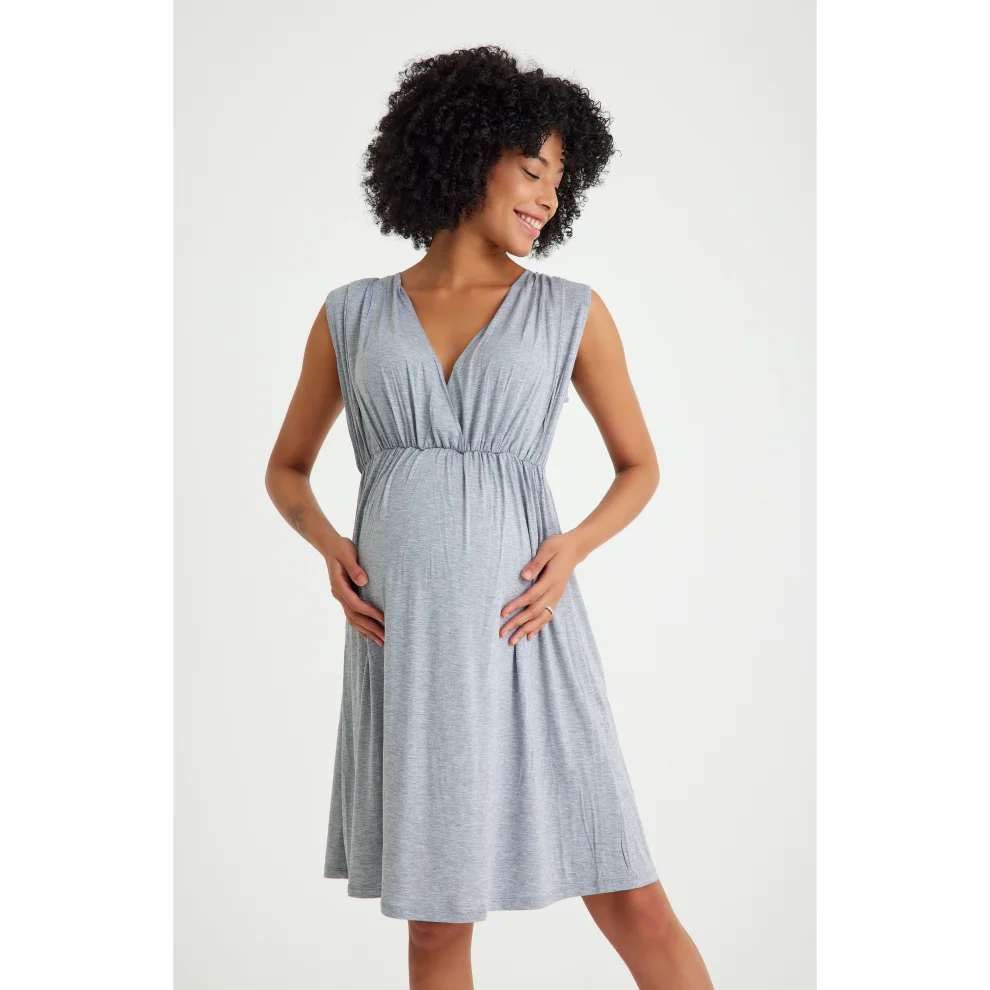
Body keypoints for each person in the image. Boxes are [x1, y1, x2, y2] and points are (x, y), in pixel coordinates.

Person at [265, 45, 715, 990]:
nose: (549, 198)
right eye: (534, 170)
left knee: (632, 898)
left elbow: (640, 467)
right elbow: (287, 470)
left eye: (560, 183)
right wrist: (329, 547)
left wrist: (572, 550)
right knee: (435, 930)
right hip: (406, 643)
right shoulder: (351, 314)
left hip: (527, 632)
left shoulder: (568, 312)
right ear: (468, 152)